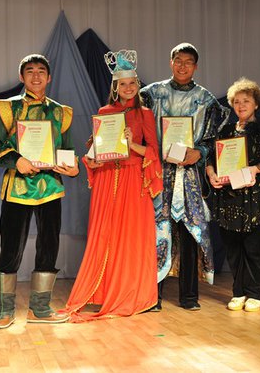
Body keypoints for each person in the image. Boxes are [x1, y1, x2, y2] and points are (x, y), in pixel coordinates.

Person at [64, 50, 163, 320]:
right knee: (105, 234)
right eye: (123, 84)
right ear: (115, 87)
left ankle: (130, 293)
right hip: (108, 178)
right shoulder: (104, 112)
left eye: (132, 83)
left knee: (130, 238)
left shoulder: (145, 114)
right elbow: (98, 150)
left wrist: (132, 144)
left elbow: (153, 153)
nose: (128, 88)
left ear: (137, 85)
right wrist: (93, 157)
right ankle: (102, 293)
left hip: (133, 180)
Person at [0, 54, 79, 328]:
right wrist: (16, 160)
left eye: (41, 71)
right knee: (10, 247)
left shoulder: (61, 112)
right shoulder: (7, 108)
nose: (36, 76)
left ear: (49, 77)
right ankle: (5, 311)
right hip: (17, 187)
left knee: (49, 246)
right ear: (22, 77)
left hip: (50, 187)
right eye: (30, 71)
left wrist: (72, 167)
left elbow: (67, 149)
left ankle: (39, 309)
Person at [140, 42, 229, 311]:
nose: (182, 66)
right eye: (178, 60)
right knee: (158, 233)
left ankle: (189, 296)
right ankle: (152, 296)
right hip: (159, 174)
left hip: (189, 176)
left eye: (188, 62)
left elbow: (214, 138)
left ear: (196, 66)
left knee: (190, 233)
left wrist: (199, 152)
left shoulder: (206, 100)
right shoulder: (151, 94)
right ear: (171, 62)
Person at [206, 78, 260, 312]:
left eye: (246, 101)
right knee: (233, 248)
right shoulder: (226, 131)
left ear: (256, 104)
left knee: (255, 248)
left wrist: (255, 169)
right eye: (237, 101)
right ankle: (238, 292)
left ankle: (255, 293)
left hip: (256, 199)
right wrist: (212, 174)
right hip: (230, 198)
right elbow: (210, 158)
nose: (241, 105)